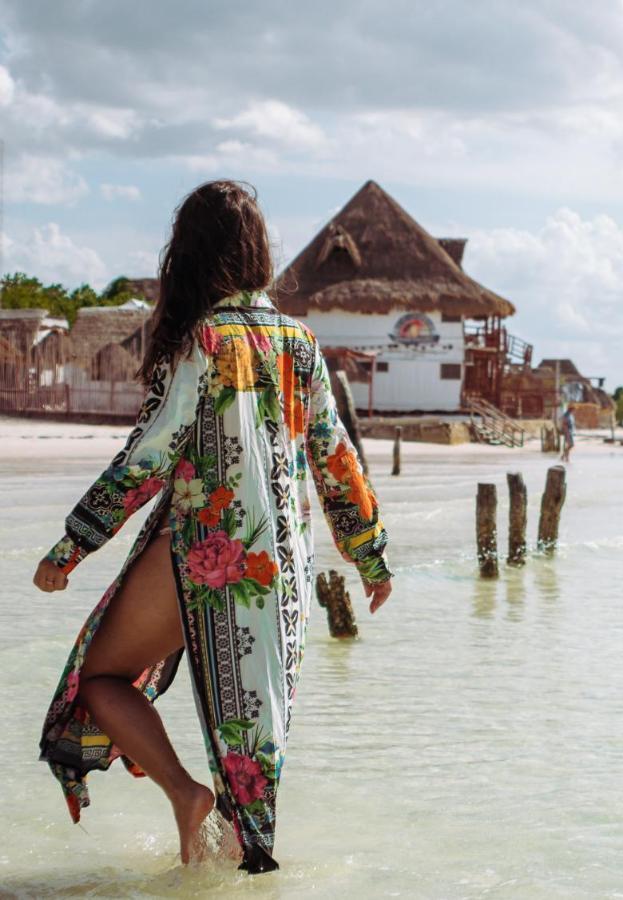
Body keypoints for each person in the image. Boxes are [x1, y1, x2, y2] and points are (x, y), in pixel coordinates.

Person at [32, 180, 393, 874]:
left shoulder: (200, 341)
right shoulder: (302, 346)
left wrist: (72, 546)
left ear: (188, 257)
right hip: (277, 574)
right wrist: (370, 555)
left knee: (99, 682)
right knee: (253, 747)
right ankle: (224, 854)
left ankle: (183, 794)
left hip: (206, 556)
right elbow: (336, 457)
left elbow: (147, 457)